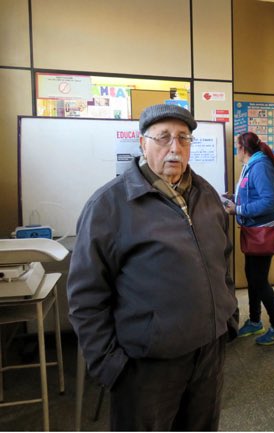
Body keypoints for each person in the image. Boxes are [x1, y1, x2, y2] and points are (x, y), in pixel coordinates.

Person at [67, 104, 239, 431]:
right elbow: (85, 297)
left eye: (183, 138)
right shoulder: (110, 205)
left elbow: (223, 261)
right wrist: (110, 365)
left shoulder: (207, 196)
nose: (174, 148)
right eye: (163, 138)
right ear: (142, 143)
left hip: (208, 353)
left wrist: (227, 317)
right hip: (147, 365)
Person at [224, 131, 274, 345]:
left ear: (243, 148)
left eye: (237, 145)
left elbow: (268, 202)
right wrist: (233, 199)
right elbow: (252, 194)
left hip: (263, 232)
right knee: (252, 277)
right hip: (253, 231)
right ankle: (254, 321)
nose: (236, 149)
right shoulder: (251, 164)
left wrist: (239, 209)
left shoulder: (260, 166)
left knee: (259, 281)